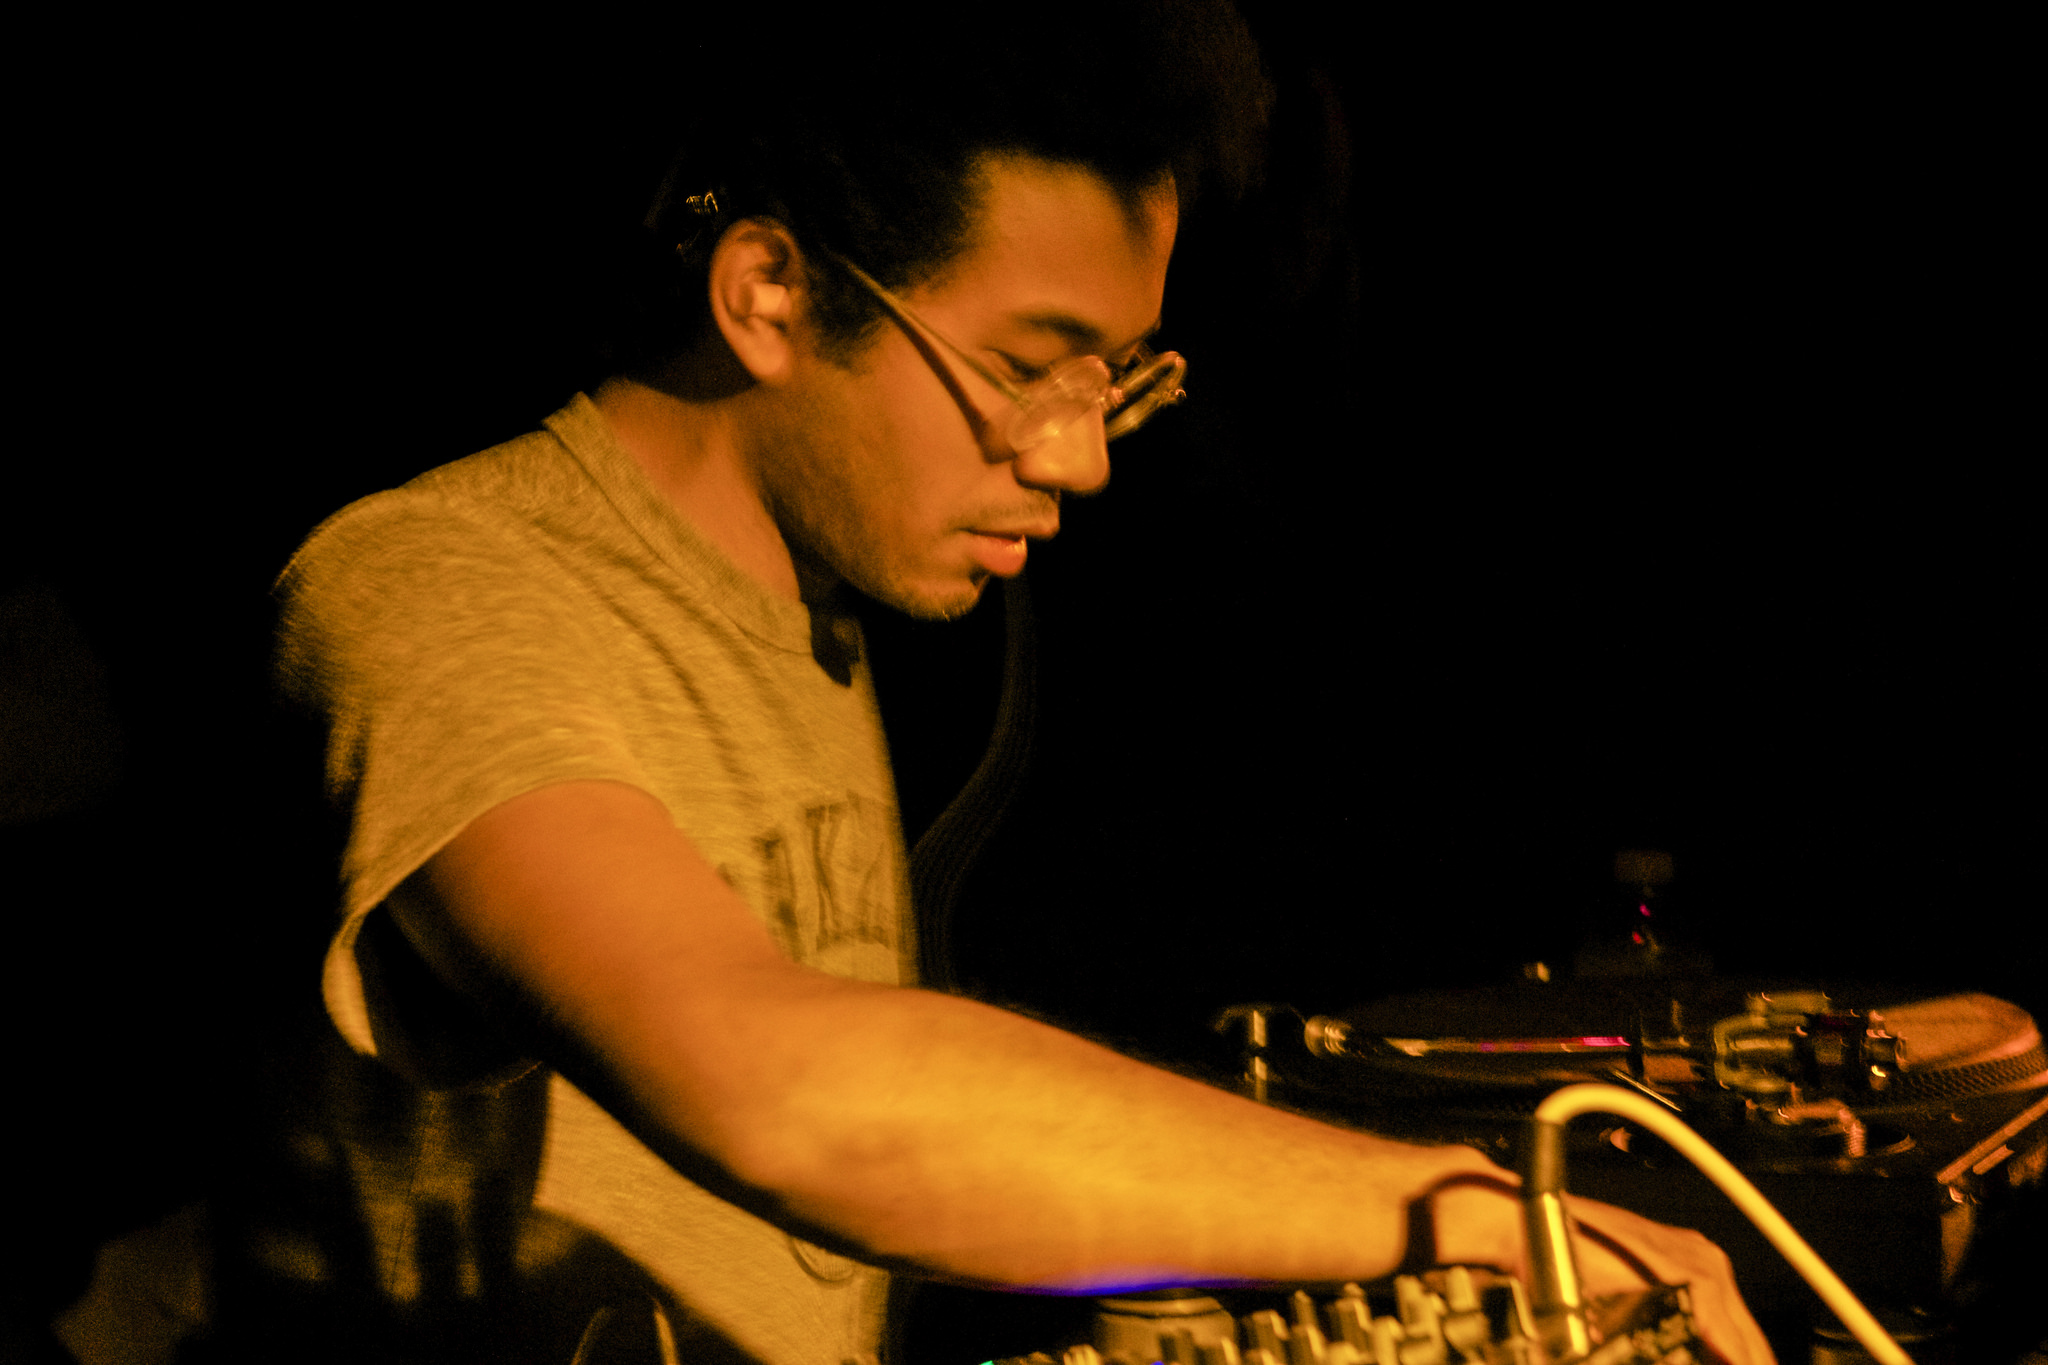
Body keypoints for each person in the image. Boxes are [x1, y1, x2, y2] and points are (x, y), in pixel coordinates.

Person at [231, 9, 1777, 1364]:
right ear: (768, 291)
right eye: (1030, 365)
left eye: (1116, 376)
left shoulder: (824, 622)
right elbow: (780, 1090)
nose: (1081, 455)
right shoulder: (438, 584)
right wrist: (1473, 1211)